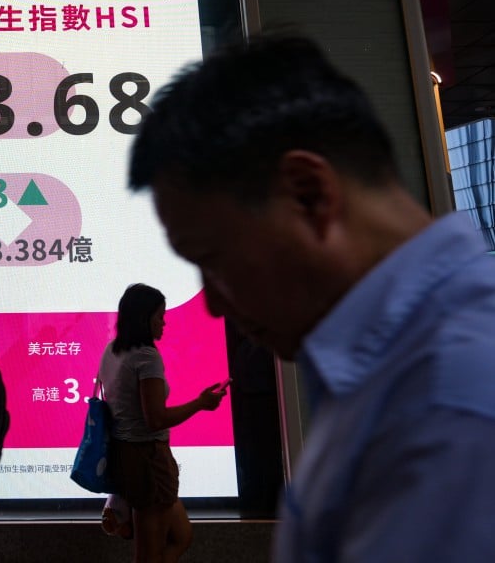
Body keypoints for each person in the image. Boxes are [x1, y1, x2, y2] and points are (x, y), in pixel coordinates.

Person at [127, 34, 495, 562]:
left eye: (213, 256)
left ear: (309, 193)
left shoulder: (449, 408)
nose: (212, 305)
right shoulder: (395, 374)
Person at [98, 283, 227, 562]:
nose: (164, 323)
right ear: (145, 319)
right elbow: (155, 419)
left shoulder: (112, 350)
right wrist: (200, 404)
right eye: (160, 316)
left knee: (182, 535)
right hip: (149, 460)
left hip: (126, 457)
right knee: (149, 555)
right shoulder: (146, 356)